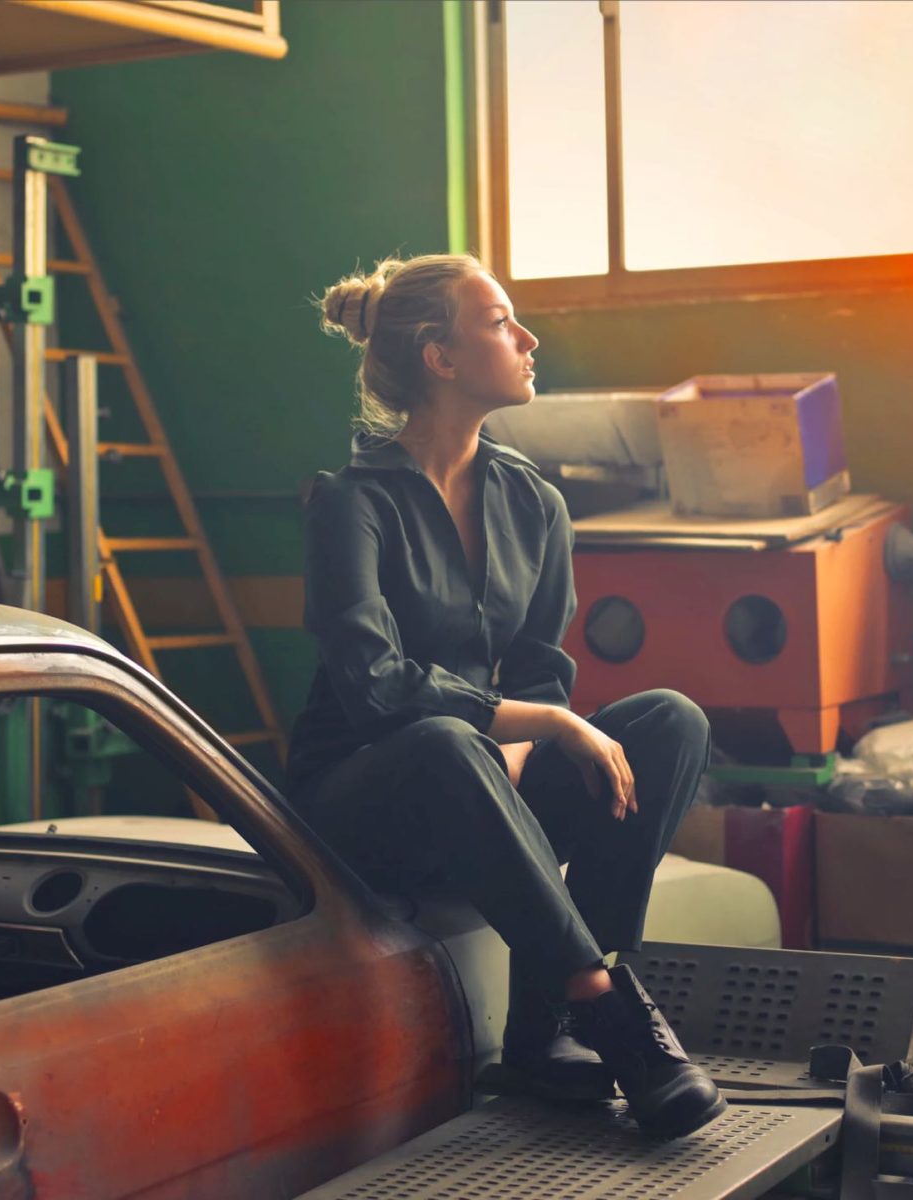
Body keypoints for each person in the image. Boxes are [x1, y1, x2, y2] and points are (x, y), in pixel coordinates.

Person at [287, 253, 725, 1140]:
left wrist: (523, 748)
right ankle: (605, 1008)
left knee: (668, 721)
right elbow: (376, 687)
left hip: (483, 779)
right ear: (440, 357)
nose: (527, 340)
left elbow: (535, 667)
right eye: (499, 322)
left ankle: (541, 1037)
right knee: (447, 743)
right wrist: (541, 728)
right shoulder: (350, 504)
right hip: (366, 798)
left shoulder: (536, 503)